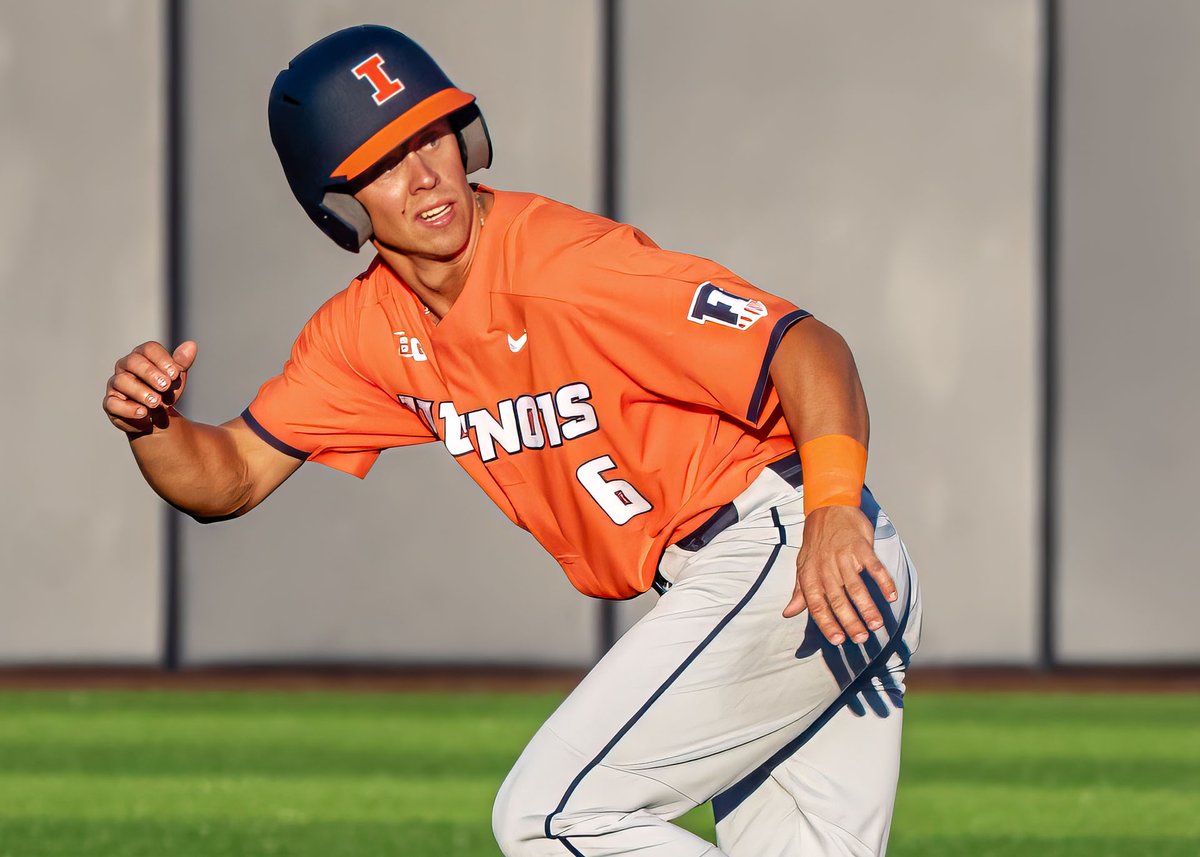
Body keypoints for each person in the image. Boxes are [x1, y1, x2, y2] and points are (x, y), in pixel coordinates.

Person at [103, 25, 922, 857]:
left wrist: (831, 509)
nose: (426, 174)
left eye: (432, 136)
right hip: (778, 572)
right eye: (386, 160)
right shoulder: (364, 333)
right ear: (339, 203)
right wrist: (152, 425)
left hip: (792, 548)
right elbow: (230, 476)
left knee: (551, 815)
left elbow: (805, 346)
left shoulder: (567, 265)